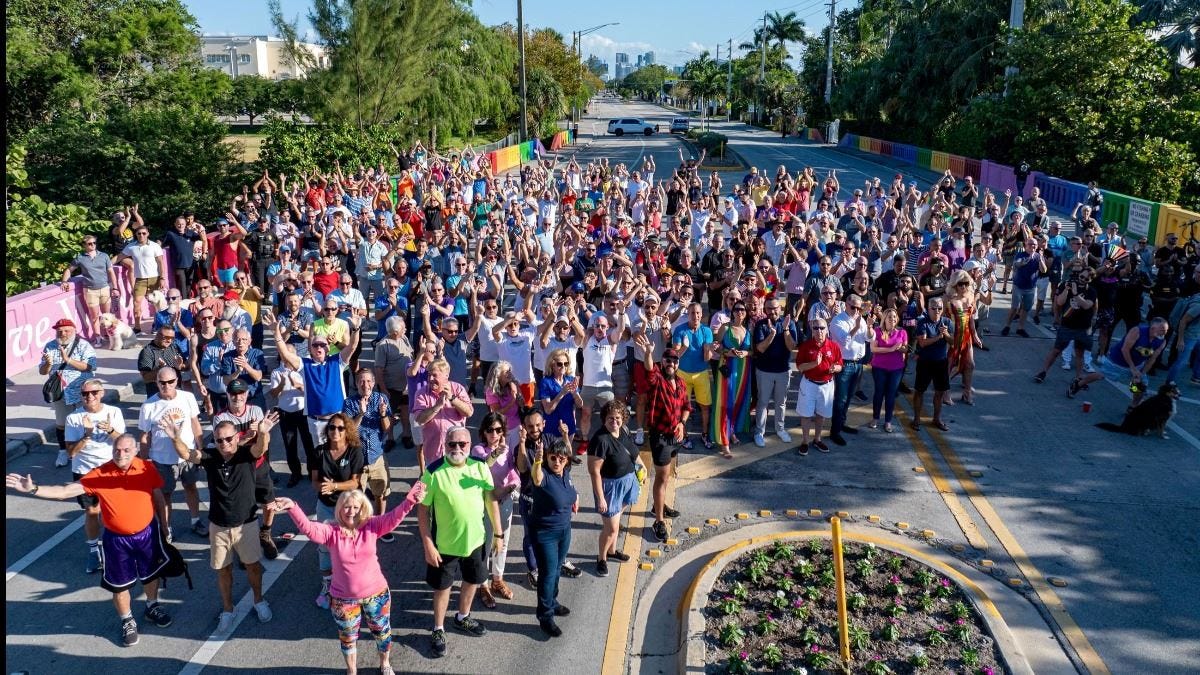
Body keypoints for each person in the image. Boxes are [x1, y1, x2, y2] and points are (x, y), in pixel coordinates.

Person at [7, 434, 174, 647]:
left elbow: (158, 496)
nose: (120, 454)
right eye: (117, 450)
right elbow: (66, 491)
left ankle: (152, 606)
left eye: (125, 450)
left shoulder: (146, 468)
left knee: (151, 574)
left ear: (135, 452)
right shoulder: (101, 474)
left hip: (147, 534)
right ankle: (127, 620)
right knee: (119, 584)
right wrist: (34, 489)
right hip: (117, 541)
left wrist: (164, 524)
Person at [270, 482, 426, 675]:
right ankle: (351, 671)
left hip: (376, 595)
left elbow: (394, 518)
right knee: (348, 639)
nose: (350, 511)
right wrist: (292, 507)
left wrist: (410, 502)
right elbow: (309, 529)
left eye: (355, 507)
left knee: (382, 633)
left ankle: (385, 663)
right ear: (339, 509)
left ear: (363, 509)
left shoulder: (373, 525)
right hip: (343, 600)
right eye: (346, 506)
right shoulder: (331, 532)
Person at [161, 415, 277, 633]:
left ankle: (259, 601)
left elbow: (260, 449)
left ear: (237, 437)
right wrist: (175, 438)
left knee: (253, 566)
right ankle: (227, 609)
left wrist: (263, 432)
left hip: (247, 524)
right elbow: (187, 453)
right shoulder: (210, 456)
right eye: (219, 440)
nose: (224, 443)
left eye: (228, 438)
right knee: (223, 571)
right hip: (218, 526)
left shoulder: (246, 454)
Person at [418, 426, 502, 658]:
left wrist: (498, 533)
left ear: (469, 444)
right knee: (442, 587)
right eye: (452, 444)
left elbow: (491, 499)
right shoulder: (433, 472)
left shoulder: (480, 466)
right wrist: (427, 543)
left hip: (475, 541)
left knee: (472, 580)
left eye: (462, 444)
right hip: (444, 546)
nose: (457, 448)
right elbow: (422, 510)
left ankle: (462, 617)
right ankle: (438, 628)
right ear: (445, 445)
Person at [63, 379, 128, 573]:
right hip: (85, 472)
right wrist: (87, 435)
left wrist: (110, 430)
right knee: (91, 512)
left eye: (93, 392)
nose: (89, 397)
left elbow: (123, 443)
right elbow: (71, 453)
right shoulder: (74, 418)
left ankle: (117, 548)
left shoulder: (113, 412)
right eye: (85, 394)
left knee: (113, 511)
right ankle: (94, 551)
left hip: (111, 469)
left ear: (102, 392)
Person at [272, 312, 363, 446]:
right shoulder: (305, 364)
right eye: (315, 345)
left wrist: (355, 329)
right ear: (311, 348)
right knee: (321, 457)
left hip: (337, 420)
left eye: (322, 344)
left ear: (327, 348)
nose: (319, 347)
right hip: (316, 422)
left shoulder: (337, 361)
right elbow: (285, 354)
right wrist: (276, 333)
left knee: (339, 452)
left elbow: (352, 347)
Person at [137, 366, 205, 540]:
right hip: (161, 458)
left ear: (177, 381)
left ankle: (195, 520)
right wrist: (145, 462)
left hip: (187, 454)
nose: (166, 386)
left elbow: (195, 423)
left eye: (170, 382)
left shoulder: (187, 397)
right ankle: (167, 528)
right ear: (157, 382)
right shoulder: (149, 405)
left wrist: (201, 450)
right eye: (162, 382)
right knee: (165, 494)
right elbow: (145, 436)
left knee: (191, 487)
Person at [636, 340, 689, 542]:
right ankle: (658, 520)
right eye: (668, 360)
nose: (671, 364)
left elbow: (686, 406)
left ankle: (659, 505)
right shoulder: (657, 379)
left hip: (675, 436)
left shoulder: (681, 383)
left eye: (675, 361)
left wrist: (682, 424)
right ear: (663, 362)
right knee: (661, 477)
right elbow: (649, 371)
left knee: (666, 476)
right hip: (660, 437)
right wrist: (649, 353)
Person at [312, 412, 367, 609]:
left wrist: (334, 486)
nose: (335, 431)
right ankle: (328, 585)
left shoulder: (354, 451)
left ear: (347, 431)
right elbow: (315, 481)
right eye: (332, 427)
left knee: (353, 545)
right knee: (325, 546)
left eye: (340, 428)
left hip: (350, 507)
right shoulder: (319, 451)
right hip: (326, 507)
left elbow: (355, 482)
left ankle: (355, 584)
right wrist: (322, 487)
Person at [524, 437, 577, 637]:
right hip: (545, 534)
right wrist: (537, 461)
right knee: (547, 575)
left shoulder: (566, 474)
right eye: (552, 457)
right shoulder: (543, 475)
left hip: (564, 531)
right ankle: (545, 616)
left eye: (561, 459)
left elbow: (570, 491)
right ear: (547, 457)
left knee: (556, 571)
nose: (557, 462)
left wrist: (576, 497)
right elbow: (536, 477)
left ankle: (552, 602)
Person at [587, 401, 643, 577]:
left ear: (623, 418)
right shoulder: (600, 440)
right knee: (611, 529)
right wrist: (601, 498)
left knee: (616, 523)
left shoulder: (624, 431)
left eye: (618, 418)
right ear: (604, 418)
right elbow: (594, 472)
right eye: (610, 418)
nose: (615, 421)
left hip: (628, 482)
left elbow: (634, 453)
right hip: (610, 488)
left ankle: (612, 551)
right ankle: (601, 558)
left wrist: (642, 467)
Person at [471, 412, 520, 609]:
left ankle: (497, 579)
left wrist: (512, 486)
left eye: (499, 430)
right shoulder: (478, 450)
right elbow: (483, 466)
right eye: (490, 430)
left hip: (505, 501)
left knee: (503, 542)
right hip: (485, 504)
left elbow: (513, 472)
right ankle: (482, 584)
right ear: (483, 432)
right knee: (485, 544)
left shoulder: (507, 450)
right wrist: (495, 453)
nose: (494, 434)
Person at [40, 318, 97, 468]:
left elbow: (91, 366)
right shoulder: (50, 346)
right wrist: (47, 364)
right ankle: (63, 451)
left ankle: (84, 450)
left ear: (73, 331)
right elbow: (42, 371)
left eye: (66, 330)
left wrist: (68, 360)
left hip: (82, 392)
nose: (63, 333)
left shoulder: (83, 345)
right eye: (60, 331)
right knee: (61, 424)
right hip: (61, 392)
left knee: (84, 421)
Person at [343, 369, 393, 538]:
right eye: (361, 382)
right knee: (356, 498)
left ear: (374, 382)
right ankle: (359, 527)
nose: (365, 385)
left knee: (381, 492)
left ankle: (379, 525)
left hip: (377, 456)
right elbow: (349, 431)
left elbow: (387, 428)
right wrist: (361, 413)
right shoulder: (349, 403)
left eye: (369, 381)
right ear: (356, 384)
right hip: (357, 459)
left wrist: (383, 414)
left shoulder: (382, 399)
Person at [1074, 318, 1169, 406]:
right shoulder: (1137, 331)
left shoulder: (1162, 341)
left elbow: (1152, 359)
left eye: (1166, 330)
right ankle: (1078, 384)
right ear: (1153, 328)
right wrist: (1132, 368)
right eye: (1162, 330)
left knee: (1139, 388)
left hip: (1138, 365)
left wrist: (1141, 373)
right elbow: (1125, 349)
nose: (1164, 333)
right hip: (1117, 361)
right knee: (1100, 375)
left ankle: (1133, 406)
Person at [1033, 267, 1098, 389]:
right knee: (1056, 351)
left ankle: (1079, 378)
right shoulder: (1067, 285)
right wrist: (1067, 290)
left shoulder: (1091, 291)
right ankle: (1043, 372)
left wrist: (1075, 293)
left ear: (1090, 279)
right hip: (1067, 326)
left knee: (1080, 353)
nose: (1082, 279)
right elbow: (1060, 302)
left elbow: (1086, 305)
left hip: (1083, 328)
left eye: (1086, 278)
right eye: (1081, 276)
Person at [752, 298, 798, 447]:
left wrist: (785, 330)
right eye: (769, 309)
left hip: (783, 371)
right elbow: (760, 349)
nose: (772, 311)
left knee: (781, 403)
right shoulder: (760, 325)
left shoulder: (789, 323)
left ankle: (780, 429)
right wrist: (771, 334)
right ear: (765, 310)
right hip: (764, 370)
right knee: (763, 403)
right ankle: (759, 432)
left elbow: (791, 346)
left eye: (775, 308)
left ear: (781, 308)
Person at [411, 358, 475, 466]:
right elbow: (419, 419)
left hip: (457, 450)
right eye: (429, 375)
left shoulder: (458, 389)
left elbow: (469, 412)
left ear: (446, 376)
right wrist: (437, 406)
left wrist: (452, 399)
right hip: (434, 452)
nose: (430, 379)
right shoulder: (421, 393)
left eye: (434, 375)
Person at [793, 318, 843, 455]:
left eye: (822, 328)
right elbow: (800, 367)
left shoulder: (834, 346)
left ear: (827, 329)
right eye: (816, 328)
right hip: (809, 384)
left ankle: (817, 439)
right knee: (806, 415)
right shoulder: (805, 346)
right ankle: (804, 441)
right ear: (812, 330)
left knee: (822, 414)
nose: (819, 331)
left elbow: (840, 364)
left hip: (827, 385)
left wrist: (836, 368)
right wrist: (814, 364)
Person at [672, 303, 717, 450]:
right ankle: (684, 435)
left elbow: (706, 359)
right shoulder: (680, 329)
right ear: (688, 314)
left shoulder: (707, 331)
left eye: (698, 313)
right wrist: (684, 347)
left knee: (705, 406)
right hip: (682, 373)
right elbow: (675, 355)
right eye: (692, 313)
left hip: (701, 373)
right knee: (682, 407)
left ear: (701, 314)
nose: (695, 316)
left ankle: (705, 434)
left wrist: (708, 350)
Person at [711, 301, 753, 458]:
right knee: (725, 405)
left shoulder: (747, 330)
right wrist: (726, 351)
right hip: (727, 370)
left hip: (743, 370)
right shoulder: (725, 328)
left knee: (737, 402)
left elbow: (752, 351)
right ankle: (724, 442)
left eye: (742, 309)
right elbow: (717, 345)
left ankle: (732, 430)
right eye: (737, 309)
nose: (740, 312)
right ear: (732, 312)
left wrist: (745, 354)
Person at [61, 235, 120, 344]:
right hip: (90, 291)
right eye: (89, 243)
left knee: (107, 315)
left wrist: (115, 288)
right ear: (84, 245)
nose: (93, 245)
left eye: (94, 243)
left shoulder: (104, 256)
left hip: (105, 288)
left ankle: (109, 335)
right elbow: (69, 270)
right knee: (94, 316)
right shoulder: (80, 258)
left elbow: (111, 272)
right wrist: (64, 281)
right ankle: (98, 338)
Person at [827, 297, 870, 446]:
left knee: (849, 396)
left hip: (858, 363)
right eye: (853, 308)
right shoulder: (838, 321)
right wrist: (857, 327)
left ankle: (841, 423)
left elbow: (869, 339)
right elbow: (844, 341)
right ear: (846, 305)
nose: (857, 311)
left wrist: (869, 327)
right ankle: (835, 431)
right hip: (844, 364)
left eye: (859, 308)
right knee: (840, 399)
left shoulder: (860, 319)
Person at [911, 299, 954, 431]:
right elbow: (922, 343)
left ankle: (937, 418)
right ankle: (917, 419)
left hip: (941, 362)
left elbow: (953, 342)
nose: (937, 311)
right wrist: (939, 337)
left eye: (939, 308)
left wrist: (945, 333)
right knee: (919, 391)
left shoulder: (947, 322)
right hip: (925, 362)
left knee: (940, 392)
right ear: (928, 309)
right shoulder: (922, 322)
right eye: (933, 308)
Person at [117, 225, 167, 332]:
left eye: (144, 233)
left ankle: (157, 324)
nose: (141, 235)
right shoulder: (131, 247)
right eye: (139, 233)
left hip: (155, 278)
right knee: (136, 303)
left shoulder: (154, 246)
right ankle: (137, 327)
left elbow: (161, 263)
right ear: (136, 234)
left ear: (148, 234)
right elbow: (119, 257)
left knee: (158, 304)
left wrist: (162, 278)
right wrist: (106, 265)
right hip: (140, 280)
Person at [869, 309, 907, 432]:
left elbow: (905, 349)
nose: (893, 319)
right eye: (890, 317)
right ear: (884, 319)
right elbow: (873, 349)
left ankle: (888, 421)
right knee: (879, 392)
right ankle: (875, 418)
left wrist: (902, 349)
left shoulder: (902, 332)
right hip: (879, 367)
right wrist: (891, 349)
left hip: (896, 368)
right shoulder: (877, 331)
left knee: (891, 395)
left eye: (895, 317)